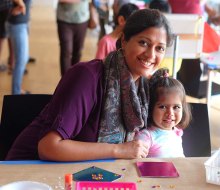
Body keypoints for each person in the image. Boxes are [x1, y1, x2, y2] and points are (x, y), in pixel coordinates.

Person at [6, 9, 173, 161]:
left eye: (160, 48)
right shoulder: (87, 76)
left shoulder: (143, 88)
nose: (151, 54)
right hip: (29, 171)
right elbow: (49, 147)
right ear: (124, 40)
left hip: (86, 173)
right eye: (143, 43)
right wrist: (117, 150)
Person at [135, 68, 192, 158]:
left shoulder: (176, 132)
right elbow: (135, 162)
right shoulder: (146, 137)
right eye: (162, 107)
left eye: (176, 107)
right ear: (150, 108)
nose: (170, 113)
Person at [56, 0, 90, 76]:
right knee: (66, 51)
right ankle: (65, 82)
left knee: (78, 51)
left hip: (82, 18)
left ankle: (74, 79)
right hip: (64, 19)